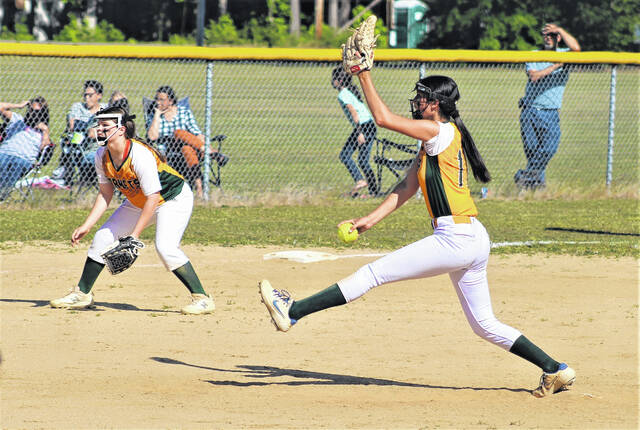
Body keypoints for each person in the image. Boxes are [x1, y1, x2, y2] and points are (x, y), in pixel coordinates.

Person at [259, 70, 576, 398]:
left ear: (435, 105)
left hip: (456, 238)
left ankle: (292, 311)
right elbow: (408, 185)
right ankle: (555, 369)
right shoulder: (434, 138)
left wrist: (363, 75)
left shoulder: (436, 130)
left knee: (372, 273)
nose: (416, 100)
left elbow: (381, 118)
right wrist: (371, 218)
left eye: (421, 96)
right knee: (483, 324)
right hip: (470, 237)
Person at [50, 106, 215, 315]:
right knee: (102, 237)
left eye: (105, 126)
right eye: (98, 125)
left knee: (166, 247)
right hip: (139, 201)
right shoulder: (102, 154)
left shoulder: (139, 155)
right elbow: (105, 194)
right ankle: (82, 293)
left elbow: (154, 196)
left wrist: (134, 236)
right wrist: (87, 225)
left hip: (173, 198)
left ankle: (202, 298)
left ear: (120, 130)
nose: (99, 130)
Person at [515, 23, 581, 189]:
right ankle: (537, 188)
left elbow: (577, 49)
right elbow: (534, 76)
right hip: (530, 110)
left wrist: (559, 29)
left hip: (551, 112)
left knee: (549, 148)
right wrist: (557, 65)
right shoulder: (535, 55)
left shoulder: (566, 54)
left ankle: (523, 176)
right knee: (532, 152)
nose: (548, 38)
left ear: (558, 38)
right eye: (545, 35)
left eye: (552, 35)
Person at [146, 85, 228, 199]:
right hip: (167, 149)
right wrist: (156, 115)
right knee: (178, 133)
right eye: (156, 99)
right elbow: (152, 137)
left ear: (171, 101)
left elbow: (197, 132)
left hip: (189, 147)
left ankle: (199, 190)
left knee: (186, 148)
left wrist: (202, 141)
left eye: (161, 99)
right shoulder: (154, 115)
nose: (157, 102)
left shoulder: (184, 112)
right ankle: (212, 153)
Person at [332, 66, 378, 198]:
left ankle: (361, 180)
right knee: (363, 161)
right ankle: (373, 192)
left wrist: (359, 133)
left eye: (334, 78)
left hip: (363, 127)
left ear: (339, 80)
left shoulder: (343, 94)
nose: (333, 81)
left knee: (345, 155)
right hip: (369, 125)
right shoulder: (349, 91)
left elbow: (353, 112)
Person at [52, 79, 107, 187]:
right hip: (82, 149)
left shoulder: (105, 108)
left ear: (99, 95)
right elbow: (73, 126)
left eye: (90, 95)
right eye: (85, 95)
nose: (87, 98)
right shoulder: (78, 107)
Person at [0, 97, 51, 200]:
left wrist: (45, 131)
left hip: (23, 159)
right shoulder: (17, 120)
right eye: (31, 110)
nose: (33, 113)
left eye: (37, 111)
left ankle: (2, 194)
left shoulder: (42, 131)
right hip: (4, 153)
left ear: (43, 113)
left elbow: (44, 151)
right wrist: (19, 106)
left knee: (15, 167)